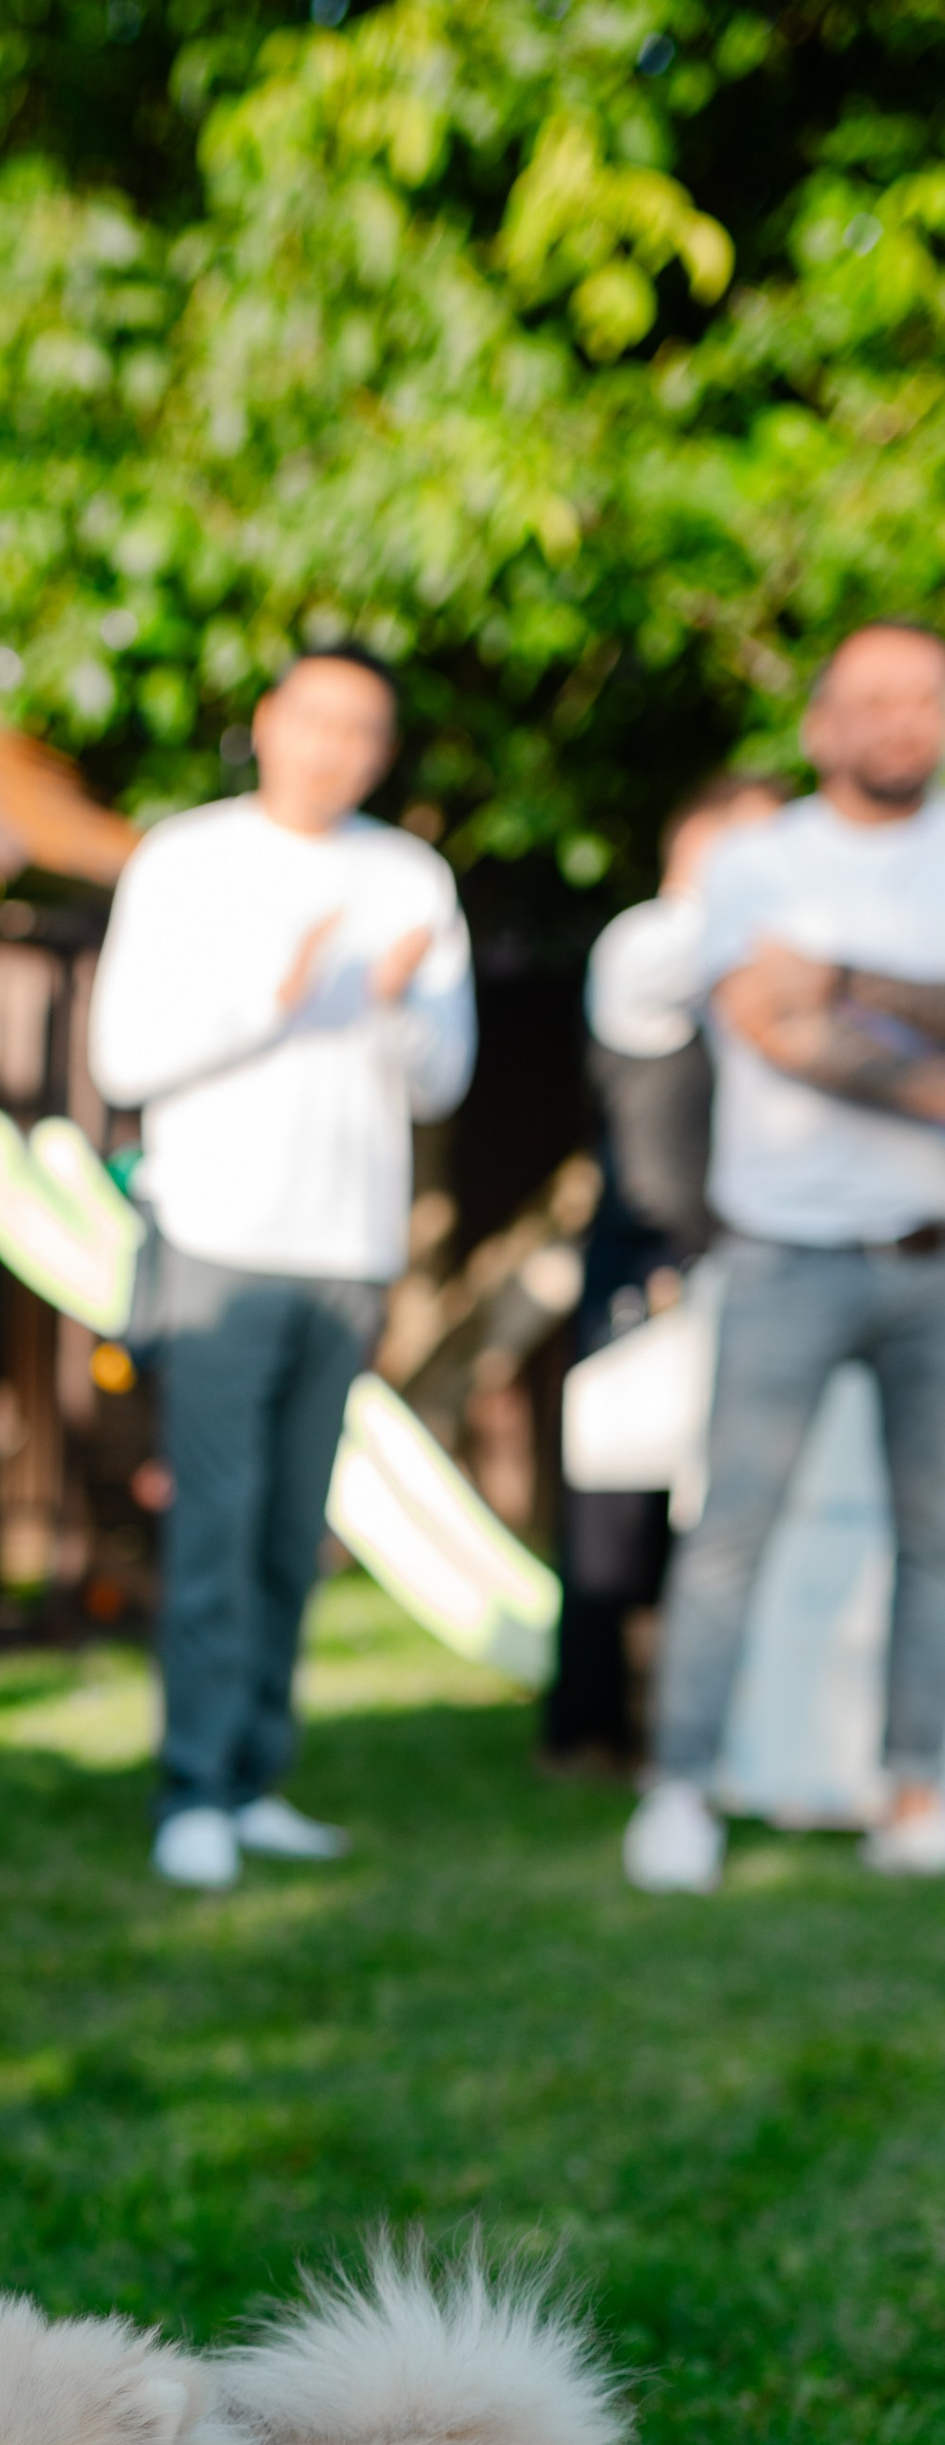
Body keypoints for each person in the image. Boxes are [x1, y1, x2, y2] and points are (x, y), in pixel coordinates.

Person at [90, 645, 475, 1889]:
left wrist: (397, 1003)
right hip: (216, 1239)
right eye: (314, 721)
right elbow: (123, 1058)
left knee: (289, 1531)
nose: (334, 749)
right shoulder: (185, 859)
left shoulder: (408, 875)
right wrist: (283, 995)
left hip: (347, 1252)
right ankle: (188, 1790)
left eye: (362, 730)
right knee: (212, 1522)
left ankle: (256, 1773)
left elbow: (443, 1076)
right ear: (266, 725)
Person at [623, 624, 945, 1891]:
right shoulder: (756, 863)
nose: (899, 720)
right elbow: (773, 1028)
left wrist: (852, 979)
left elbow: (825, 1010)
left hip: (933, 1260)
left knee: (937, 1545)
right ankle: (681, 1791)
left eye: (923, 697)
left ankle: (916, 1787)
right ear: (817, 727)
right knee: (728, 1536)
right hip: (784, 1256)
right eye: (870, 700)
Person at [543, 772, 784, 1772]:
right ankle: (591, 1730)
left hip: (748, 1264)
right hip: (648, 1267)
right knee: (618, 1506)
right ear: (702, 846)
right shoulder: (651, 939)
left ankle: (699, 1724)